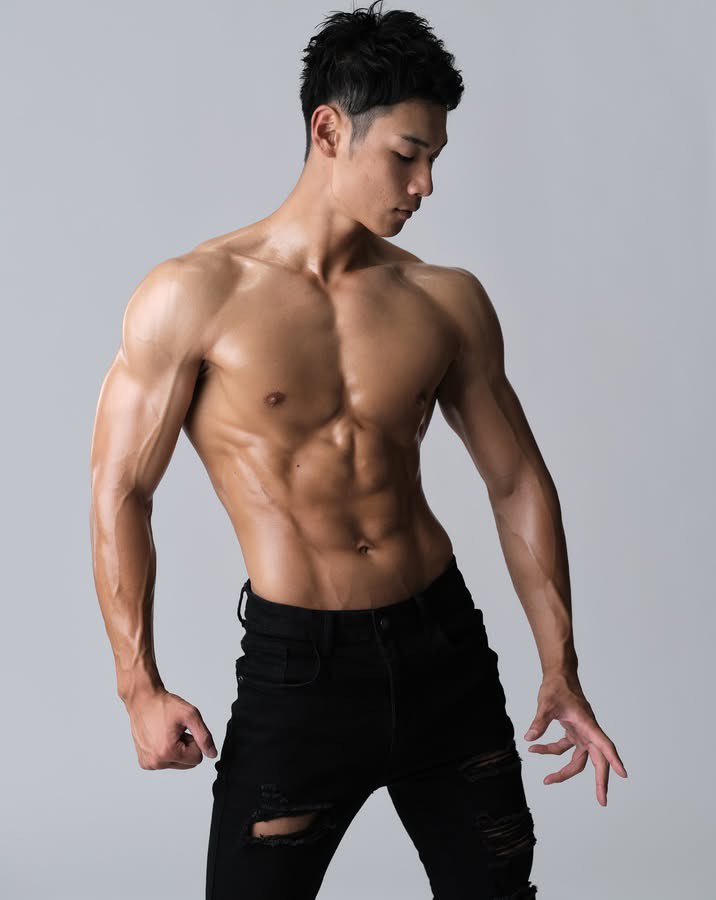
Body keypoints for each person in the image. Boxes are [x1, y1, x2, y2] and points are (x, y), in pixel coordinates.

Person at [89, 2, 627, 898]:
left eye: (435, 160)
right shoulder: (193, 296)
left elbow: (516, 481)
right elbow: (119, 491)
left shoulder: (444, 300)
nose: (425, 185)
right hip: (301, 671)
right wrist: (137, 687)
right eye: (407, 155)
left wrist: (559, 665)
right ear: (329, 130)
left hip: (445, 651)